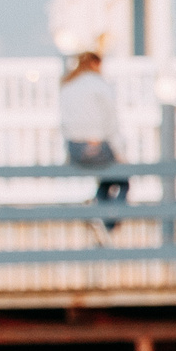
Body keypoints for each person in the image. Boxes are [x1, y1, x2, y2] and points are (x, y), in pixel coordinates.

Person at [57, 50, 125, 235]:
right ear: (95, 64)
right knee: (122, 178)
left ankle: (98, 211)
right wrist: (120, 152)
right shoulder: (100, 85)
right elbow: (111, 123)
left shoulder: (68, 85)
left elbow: (64, 123)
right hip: (96, 147)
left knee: (107, 177)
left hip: (75, 148)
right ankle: (107, 222)